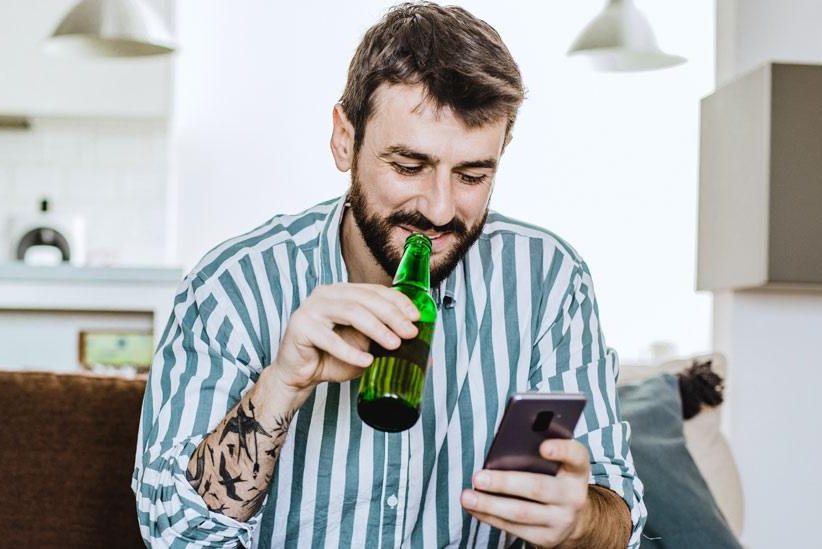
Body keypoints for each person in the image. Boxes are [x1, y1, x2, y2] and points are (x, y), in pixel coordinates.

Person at [132, 2, 646, 547]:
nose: (441, 210)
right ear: (344, 139)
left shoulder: (548, 284)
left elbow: (619, 516)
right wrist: (281, 384)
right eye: (408, 167)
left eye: (472, 175)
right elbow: (173, 534)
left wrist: (581, 521)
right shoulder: (231, 286)